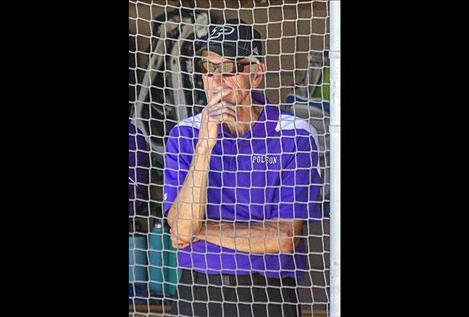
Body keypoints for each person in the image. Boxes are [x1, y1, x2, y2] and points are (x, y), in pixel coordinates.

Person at [163, 19, 321, 317]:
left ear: (257, 73)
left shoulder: (295, 135)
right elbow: (180, 226)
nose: (216, 79)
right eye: (209, 69)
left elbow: (283, 238)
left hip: (268, 291)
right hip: (198, 289)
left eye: (229, 68)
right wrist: (205, 146)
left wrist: (201, 229)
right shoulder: (184, 134)